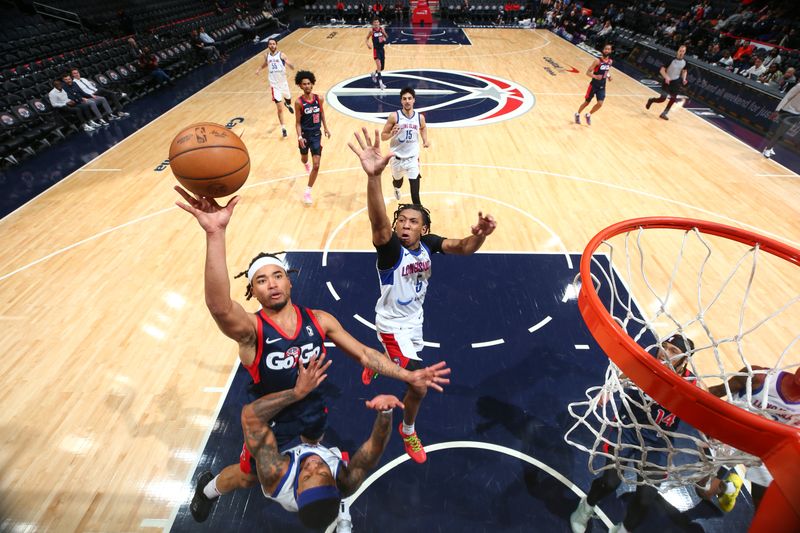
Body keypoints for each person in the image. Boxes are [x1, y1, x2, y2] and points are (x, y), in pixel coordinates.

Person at [174, 186, 450, 522]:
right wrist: (215, 233)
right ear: (252, 291)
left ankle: (323, 489)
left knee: (317, 445)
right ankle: (208, 489)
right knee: (247, 476)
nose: (272, 283)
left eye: (277, 275)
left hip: (311, 410)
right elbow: (218, 306)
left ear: (290, 282)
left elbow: (365, 354)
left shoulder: (319, 320)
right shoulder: (251, 331)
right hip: (269, 419)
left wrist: (407, 375)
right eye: (261, 280)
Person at [347, 128, 497, 464]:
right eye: (401, 218)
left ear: (423, 230)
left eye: (412, 221)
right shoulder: (390, 251)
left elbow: (463, 247)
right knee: (419, 385)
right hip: (391, 325)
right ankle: (409, 430)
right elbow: (378, 222)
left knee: (401, 366)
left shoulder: (428, 245)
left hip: (415, 322)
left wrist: (481, 236)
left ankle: (381, 362)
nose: (403, 224)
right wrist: (374, 179)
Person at [237, 354, 404, 530]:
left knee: (243, 477)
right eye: (323, 474)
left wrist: (296, 393)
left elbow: (249, 417)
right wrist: (385, 413)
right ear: (335, 484)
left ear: (299, 491)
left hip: (284, 475)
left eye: (307, 476)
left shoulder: (275, 474)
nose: (313, 465)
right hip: (327, 487)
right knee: (320, 443)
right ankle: (343, 514)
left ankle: (208, 491)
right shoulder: (344, 481)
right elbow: (375, 449)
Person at [570, 335, 701, 533]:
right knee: (610, 482)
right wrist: (607, 390)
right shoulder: (646, 364)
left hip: (658, 442)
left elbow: (707, 408)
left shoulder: (692, 384)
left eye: (673, 351)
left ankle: (624, 529)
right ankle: (585, 507)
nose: (664, 352)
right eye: (664, 346)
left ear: (685, 360)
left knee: (645, 498)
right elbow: (620, 376)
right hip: (628, 429)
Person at [707, 364, 800, 507]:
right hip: (732, 436)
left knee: (763, 506)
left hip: (766, 449)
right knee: (705, 491)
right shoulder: (759, 377)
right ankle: (729, 487)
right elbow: (716, 391)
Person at [381, 87, 429, 204]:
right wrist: (391, 133)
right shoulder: (394, 117)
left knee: (415, 195)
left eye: (409, 98)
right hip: (397, 158)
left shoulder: (419, 117)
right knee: (398, 182)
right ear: (401, 101)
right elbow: (383, 136)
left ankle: (421, 219)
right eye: (404, 99)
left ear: (414, 100)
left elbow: (423, 127)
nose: (407, 101)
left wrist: (425, 140)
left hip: (413, 159)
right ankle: (396, 188)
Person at [294, 70, 330, 205]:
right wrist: (299, 137)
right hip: (304, 136)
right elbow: (297, 123)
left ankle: (308, 191)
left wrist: (325, 127)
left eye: (309, 83)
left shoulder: (319, 99)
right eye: (304, 84)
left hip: (316, 135)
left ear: (312, 84)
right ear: (300, 86)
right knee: (304, 159)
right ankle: (305, 163)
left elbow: (322, 113)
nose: (307, 86)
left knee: (317, 165)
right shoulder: (298, 102)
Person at [256, 38, 295, 138]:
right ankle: (283, 128)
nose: (272, 45)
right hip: (274, 85)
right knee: (279, 108)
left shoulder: (282, 54)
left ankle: (287, 103)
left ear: (276, 45)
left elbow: (288, 62)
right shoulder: (266, 55)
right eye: (270, 44)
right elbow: (266, 63)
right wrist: (259, 69)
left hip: (283, 83)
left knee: (289, 100)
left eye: (273, 44)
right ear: (268, 46)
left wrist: (290, 65)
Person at [645, 44, 688, 121]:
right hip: (667, 81)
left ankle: (664, 113)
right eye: (680, 51)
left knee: (673, 98)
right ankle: (651, 100)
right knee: (662, 99)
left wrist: (684, 79)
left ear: (685, 52)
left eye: (683, 51)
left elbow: (684, 71)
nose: (681, 52)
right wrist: (666, 77)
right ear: (678, 51)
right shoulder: (671, 60)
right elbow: (661, 70)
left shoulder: (685, 62)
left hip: (676, 81)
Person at [575, 43, 613, 126]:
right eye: (605, 49)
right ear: (603, 50)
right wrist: (595, 76)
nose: (607, 50)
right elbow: (588, 72)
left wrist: (609, 76)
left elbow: (606, 71)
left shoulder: (610, 62)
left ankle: (588, 115)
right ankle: (577, 114)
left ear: (611, 51)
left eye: (608, 49)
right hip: (593, 86)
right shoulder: (597, 61)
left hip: (602, 86)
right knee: (586, 103)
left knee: (600, 104)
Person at [761, 82, 800, 158]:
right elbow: (787, 97)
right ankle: (767, 149)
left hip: (797, 114)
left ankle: (771, 147)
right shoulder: (799, 86)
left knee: (782, 133)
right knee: (779, 132)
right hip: (788, 111)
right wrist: (777, 110)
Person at [366, 18, 388, 90]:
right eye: (374, 22)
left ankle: (373, 74)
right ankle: (381, 83)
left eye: (377, 22)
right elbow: (366, 38)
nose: (376, 23)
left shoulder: (382, 29)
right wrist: (368, 44)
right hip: (376, 50)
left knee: (382, 68)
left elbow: (386, 36)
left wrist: (384, 38)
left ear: (379, 23)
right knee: (379, 66)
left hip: (382, 50)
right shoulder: (371, 31)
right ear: (373, 24)